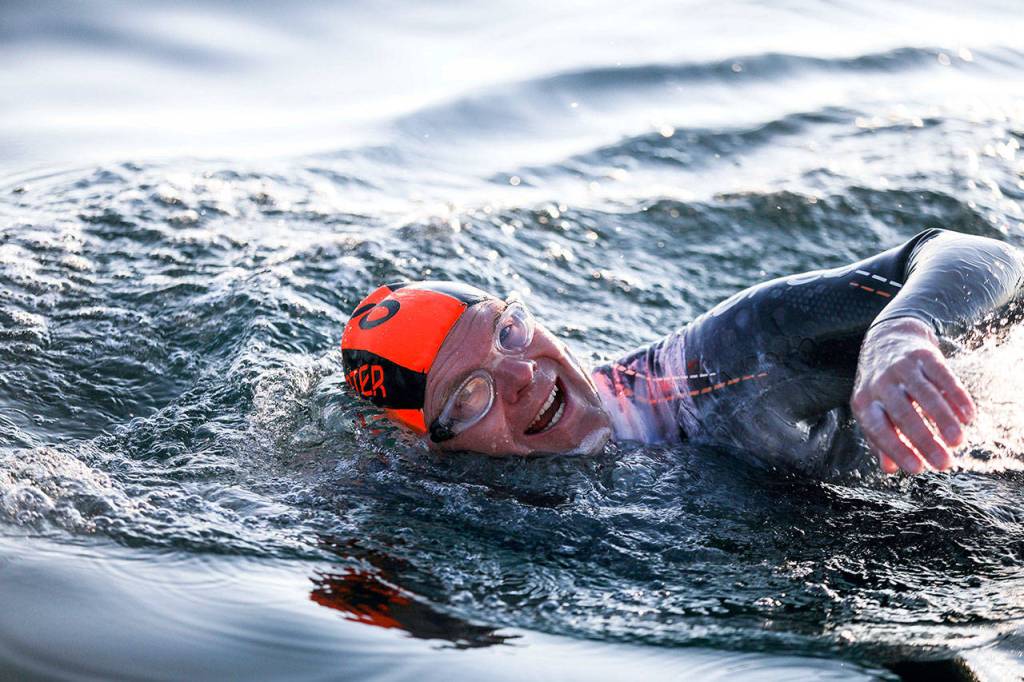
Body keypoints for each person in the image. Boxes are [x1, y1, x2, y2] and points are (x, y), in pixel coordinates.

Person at [340, 229, 1024, 477]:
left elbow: (984, 256)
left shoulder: (718, 371)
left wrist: (902, 331)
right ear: (428, 450)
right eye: (470, 395)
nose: (521, 374)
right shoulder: (469, 513)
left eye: (508, 331)